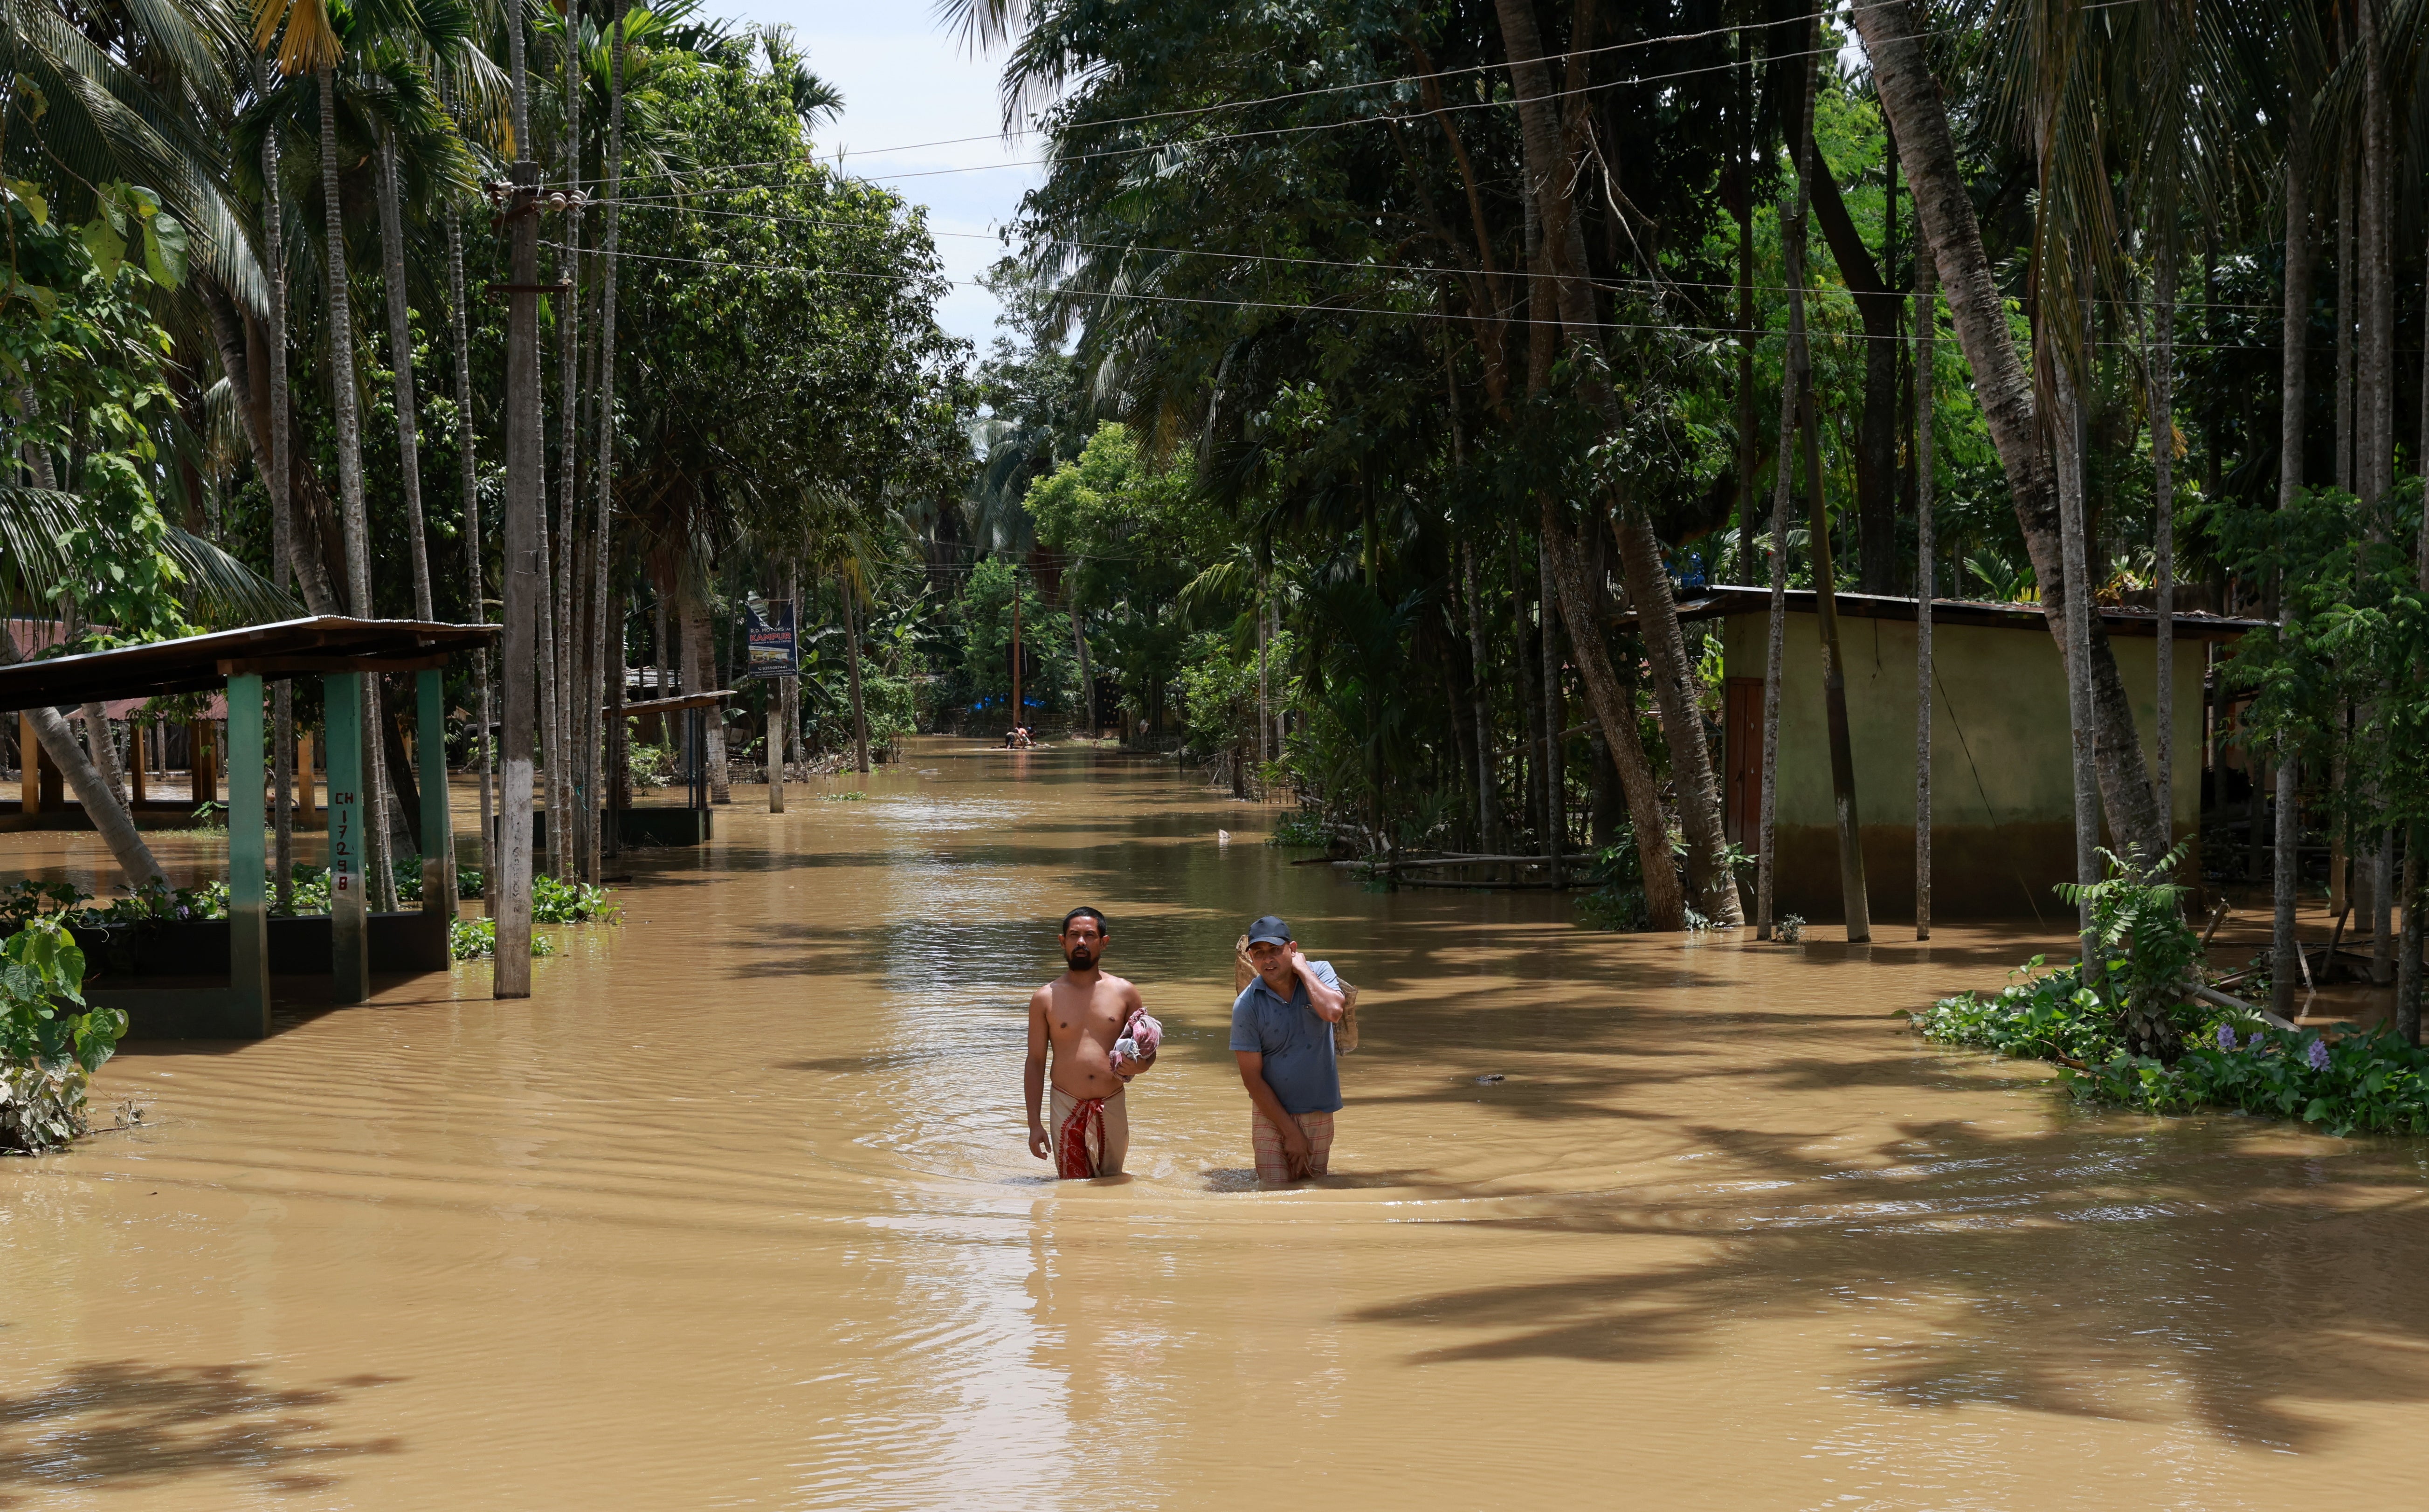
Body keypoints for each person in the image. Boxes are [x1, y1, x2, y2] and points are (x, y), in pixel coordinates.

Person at [1025, 907, 1152, 1177]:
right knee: (1071, 1189)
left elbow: (1148, 1050)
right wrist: (1034, 1125)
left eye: (1089, 936)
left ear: (1103, 943)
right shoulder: (1044, 998)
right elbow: (1035, 1061)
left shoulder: (1125, 992)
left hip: (1112, 1100)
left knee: (1113, 1185)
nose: (1081, 942)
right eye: (1074, 935)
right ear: (1063, 941)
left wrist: (1138, 1068)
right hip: (1065, 1102)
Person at [1228, 914, 1345, 1184]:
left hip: (1318, 1108)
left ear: (1293, 950)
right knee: (1274, 1190)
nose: (1268, 960)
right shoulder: (1247, 1005)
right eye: (1259, 954)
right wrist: (1291, 1133)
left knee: (1314, 1189)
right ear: (1252, 959)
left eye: (1275, 951)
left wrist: (1304, 971)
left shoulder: (1321, 971)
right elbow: (1251, 1079)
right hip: (1270, 1114)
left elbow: (1333, 1012)